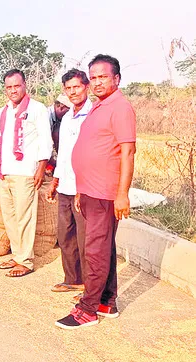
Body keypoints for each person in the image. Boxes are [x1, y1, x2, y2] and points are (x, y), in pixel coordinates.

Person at [56, 55, 136, 329]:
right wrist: (80, 188)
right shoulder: (97, 107)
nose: (98, 82)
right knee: (103, 249)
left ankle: (87, 310)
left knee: (94, 251)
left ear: (116, 79)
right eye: (95, 77)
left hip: (105, 192)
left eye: (104, 77)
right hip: (88, 191)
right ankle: (106, 301)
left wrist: (122, 194)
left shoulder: (120, 108)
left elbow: (127, 152)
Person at [0, 69, 53, 278]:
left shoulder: (37, 109)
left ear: (25, 86)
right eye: (9, 87)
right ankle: (17, 255)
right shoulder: (3, 112)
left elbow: (46, 140)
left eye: (17, 86)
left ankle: (26, 261)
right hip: (4, 172)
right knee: (10, 217)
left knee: (25, 217)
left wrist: (41, 168)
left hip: (25, 172)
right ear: (5, 89)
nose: (13, 90)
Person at [46, 69, 92, 297]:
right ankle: (73, 279)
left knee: (86, 240)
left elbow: (93, 155)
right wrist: (55, 180)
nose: (73, 92)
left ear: (86, 86)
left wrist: (83, 187)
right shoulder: (67, 118)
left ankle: (90, 287)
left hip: (83, 188)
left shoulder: (93, 115)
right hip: (65, 185)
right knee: (66, 236)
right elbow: (63, 152)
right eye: (69, 88)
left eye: (77, 87)